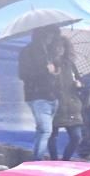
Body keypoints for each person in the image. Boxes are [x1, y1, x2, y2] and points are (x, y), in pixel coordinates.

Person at [18, 26, 60, 160]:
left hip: (52, 95)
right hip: (37, 95)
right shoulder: (28, 52)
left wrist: (55, 72)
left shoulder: (51, 52)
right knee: (45, 130)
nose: (50, 37)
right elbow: (23, 74)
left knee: (43, 130)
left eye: (52, 35)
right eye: (48, 34)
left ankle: (37, 158)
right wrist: (44, 70)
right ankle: (37, 160)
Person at [46, 36, 82, 161]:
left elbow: (79, 81)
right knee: (52, 135)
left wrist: (79, 85)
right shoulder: (49, 64)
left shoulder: (71, 65)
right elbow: (44, 85)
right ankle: (54, 160)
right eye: (57, 47)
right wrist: (51, 74)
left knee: (76, 136)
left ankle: (65, 160)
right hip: (55, 104)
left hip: (71, 106)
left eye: (62, 47)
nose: (60, 50)